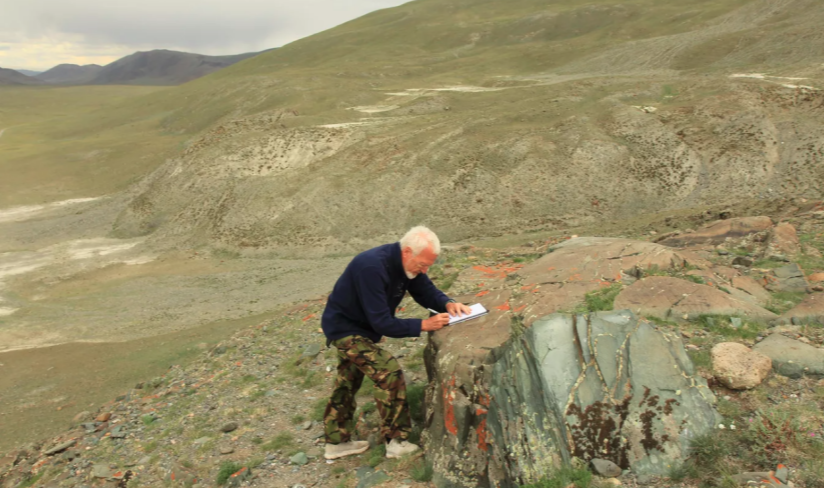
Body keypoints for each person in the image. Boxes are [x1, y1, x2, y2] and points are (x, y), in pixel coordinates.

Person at [321, 226, 472, 461]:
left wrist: (448, 303)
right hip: (345, 329)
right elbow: (382, 322)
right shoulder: (371, 268)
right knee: (388, 371)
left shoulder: (407, 266)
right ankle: (396, 441)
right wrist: (423, 325)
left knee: (347, 382)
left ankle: (336, 443)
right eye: (423, 264)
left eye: (428, 265)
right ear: (407, 252)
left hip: (360, 328)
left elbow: (426, 291)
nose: (425, 269)